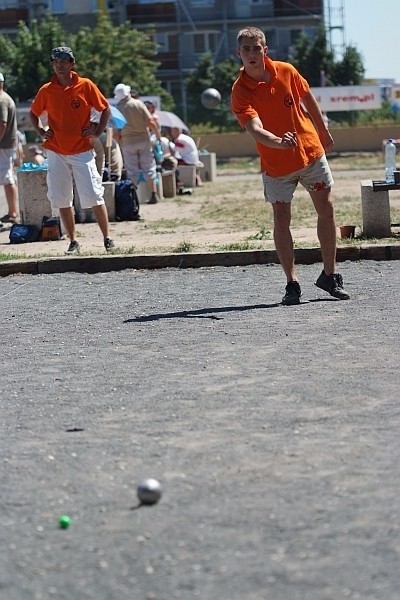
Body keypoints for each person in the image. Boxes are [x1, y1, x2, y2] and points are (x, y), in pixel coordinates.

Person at [231, 26, 350, 305]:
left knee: (327, 208)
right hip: (276, 164)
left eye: (256, 48)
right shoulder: (240, 91)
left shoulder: (286, 70)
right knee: (282, 219)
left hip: (310, 153)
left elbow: (307, 98)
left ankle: (329, 276)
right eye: (246, 49)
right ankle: (291, 283)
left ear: (265, 50)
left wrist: (323, 131)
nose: (251, 54)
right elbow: (255, 128)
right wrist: (278, 142)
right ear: (239, 54)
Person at [29, 46, 115, 253]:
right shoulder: (46, 89)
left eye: (63, 61)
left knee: (94, 194)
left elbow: (105, 109)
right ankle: (73, 241)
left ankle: (108, 238)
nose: (59, 65)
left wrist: (96, 133)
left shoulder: (86, 85)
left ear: (71, 63)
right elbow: (34, 113)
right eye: (55, 61)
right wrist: (42, 132)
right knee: (61, 197)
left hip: (82, 149)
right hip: (56, 150)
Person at [113, 83, 161, 204]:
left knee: (132, 171)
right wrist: (158, 135)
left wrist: (120, 142)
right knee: (149, 168)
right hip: (144, 140)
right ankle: (153, 194)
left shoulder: (117, 109)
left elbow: (115, 132)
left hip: (128, 142)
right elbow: (150, 121)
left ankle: (133, 199)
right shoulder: (138, 104)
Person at [0, 72, 19, 224]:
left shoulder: (1, 100)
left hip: (3, 145)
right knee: (8, 177)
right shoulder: (6, 98)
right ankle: (12, 211)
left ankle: (13, 212)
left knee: (7, 178)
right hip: (7, 144)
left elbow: (2, 124)